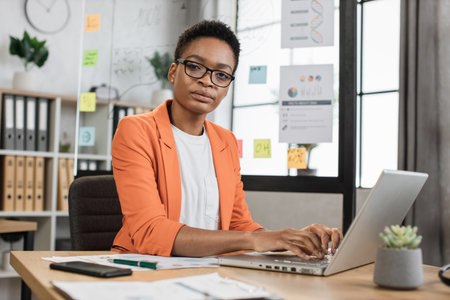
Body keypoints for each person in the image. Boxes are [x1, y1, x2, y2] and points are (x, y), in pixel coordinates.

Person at [111, 20, 343, 260]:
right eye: (195, 67)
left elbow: (239, 223)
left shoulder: (225, 141)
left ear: (227, 86)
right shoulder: (136, 130)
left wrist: (290, 240)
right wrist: (259, 240)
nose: (207, 81)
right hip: (144, 269)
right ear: (173, 72)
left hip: (211, 271)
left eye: (221, 75)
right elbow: (151, 232)